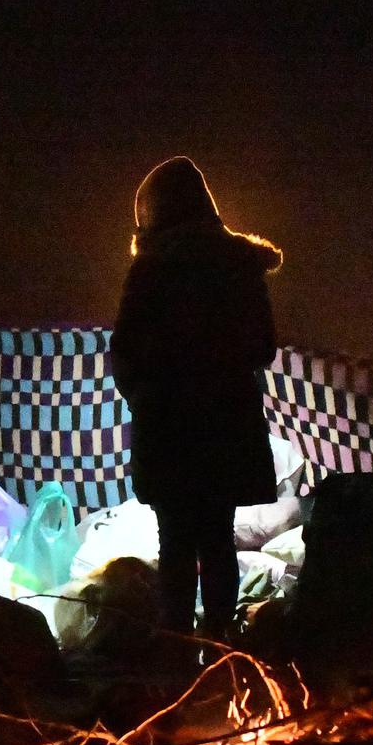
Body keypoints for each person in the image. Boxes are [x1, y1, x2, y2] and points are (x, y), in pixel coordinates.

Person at [109, 156, 281, 639]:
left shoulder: (152, 268)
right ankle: (224, 650)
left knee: (177, 547)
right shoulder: (240, 266)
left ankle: (176, 660)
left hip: (167, 428)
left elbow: (124, 351)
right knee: (217, 541)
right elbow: (263, 347)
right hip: (227, 425)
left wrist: (147, 398)